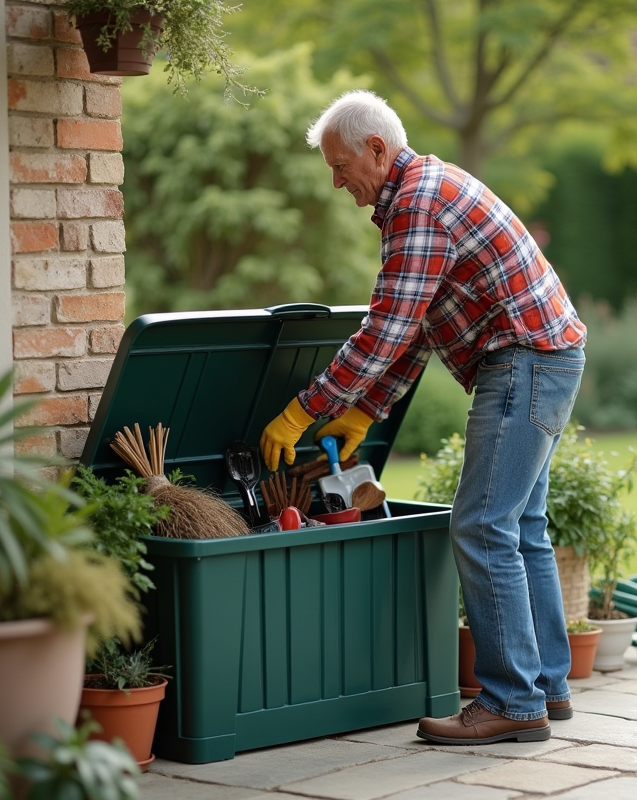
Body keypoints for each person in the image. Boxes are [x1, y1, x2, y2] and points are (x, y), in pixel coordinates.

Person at [259, 90, 587, 745]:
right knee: (520, 526)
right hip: (547, 357)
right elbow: (417, 327)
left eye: (340, 166)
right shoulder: (422, 192)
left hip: (522, 361)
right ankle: (545, 688)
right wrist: (365, 411)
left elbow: (385, 330)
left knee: (482, 525)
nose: (336, 182)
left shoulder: (418, 203)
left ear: (377, 150)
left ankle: (513, 701)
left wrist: (303, 412)